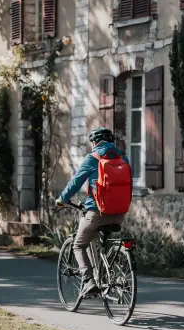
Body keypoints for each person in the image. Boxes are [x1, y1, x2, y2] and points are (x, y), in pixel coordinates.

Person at [56, 127, 131, 296]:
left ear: (95, 142)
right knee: (103, 243)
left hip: (96, 213)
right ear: (112, 142)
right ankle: (113, 275)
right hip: (119, 214)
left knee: (79, 245)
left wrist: (61, 199)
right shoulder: (123, 159)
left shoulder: (93, 158)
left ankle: (89, 281)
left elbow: (75, 183)